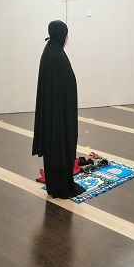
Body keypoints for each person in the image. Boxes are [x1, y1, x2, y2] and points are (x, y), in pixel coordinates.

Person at [32, 20, 85, 199]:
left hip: (53, 115)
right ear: (61, 35)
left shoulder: (49, 52)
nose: (66, 39)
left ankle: (54, 186)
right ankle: (62, 187)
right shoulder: (57, 56)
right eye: (66, 35)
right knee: (61, 148)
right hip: (60, 116)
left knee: (53, 151)